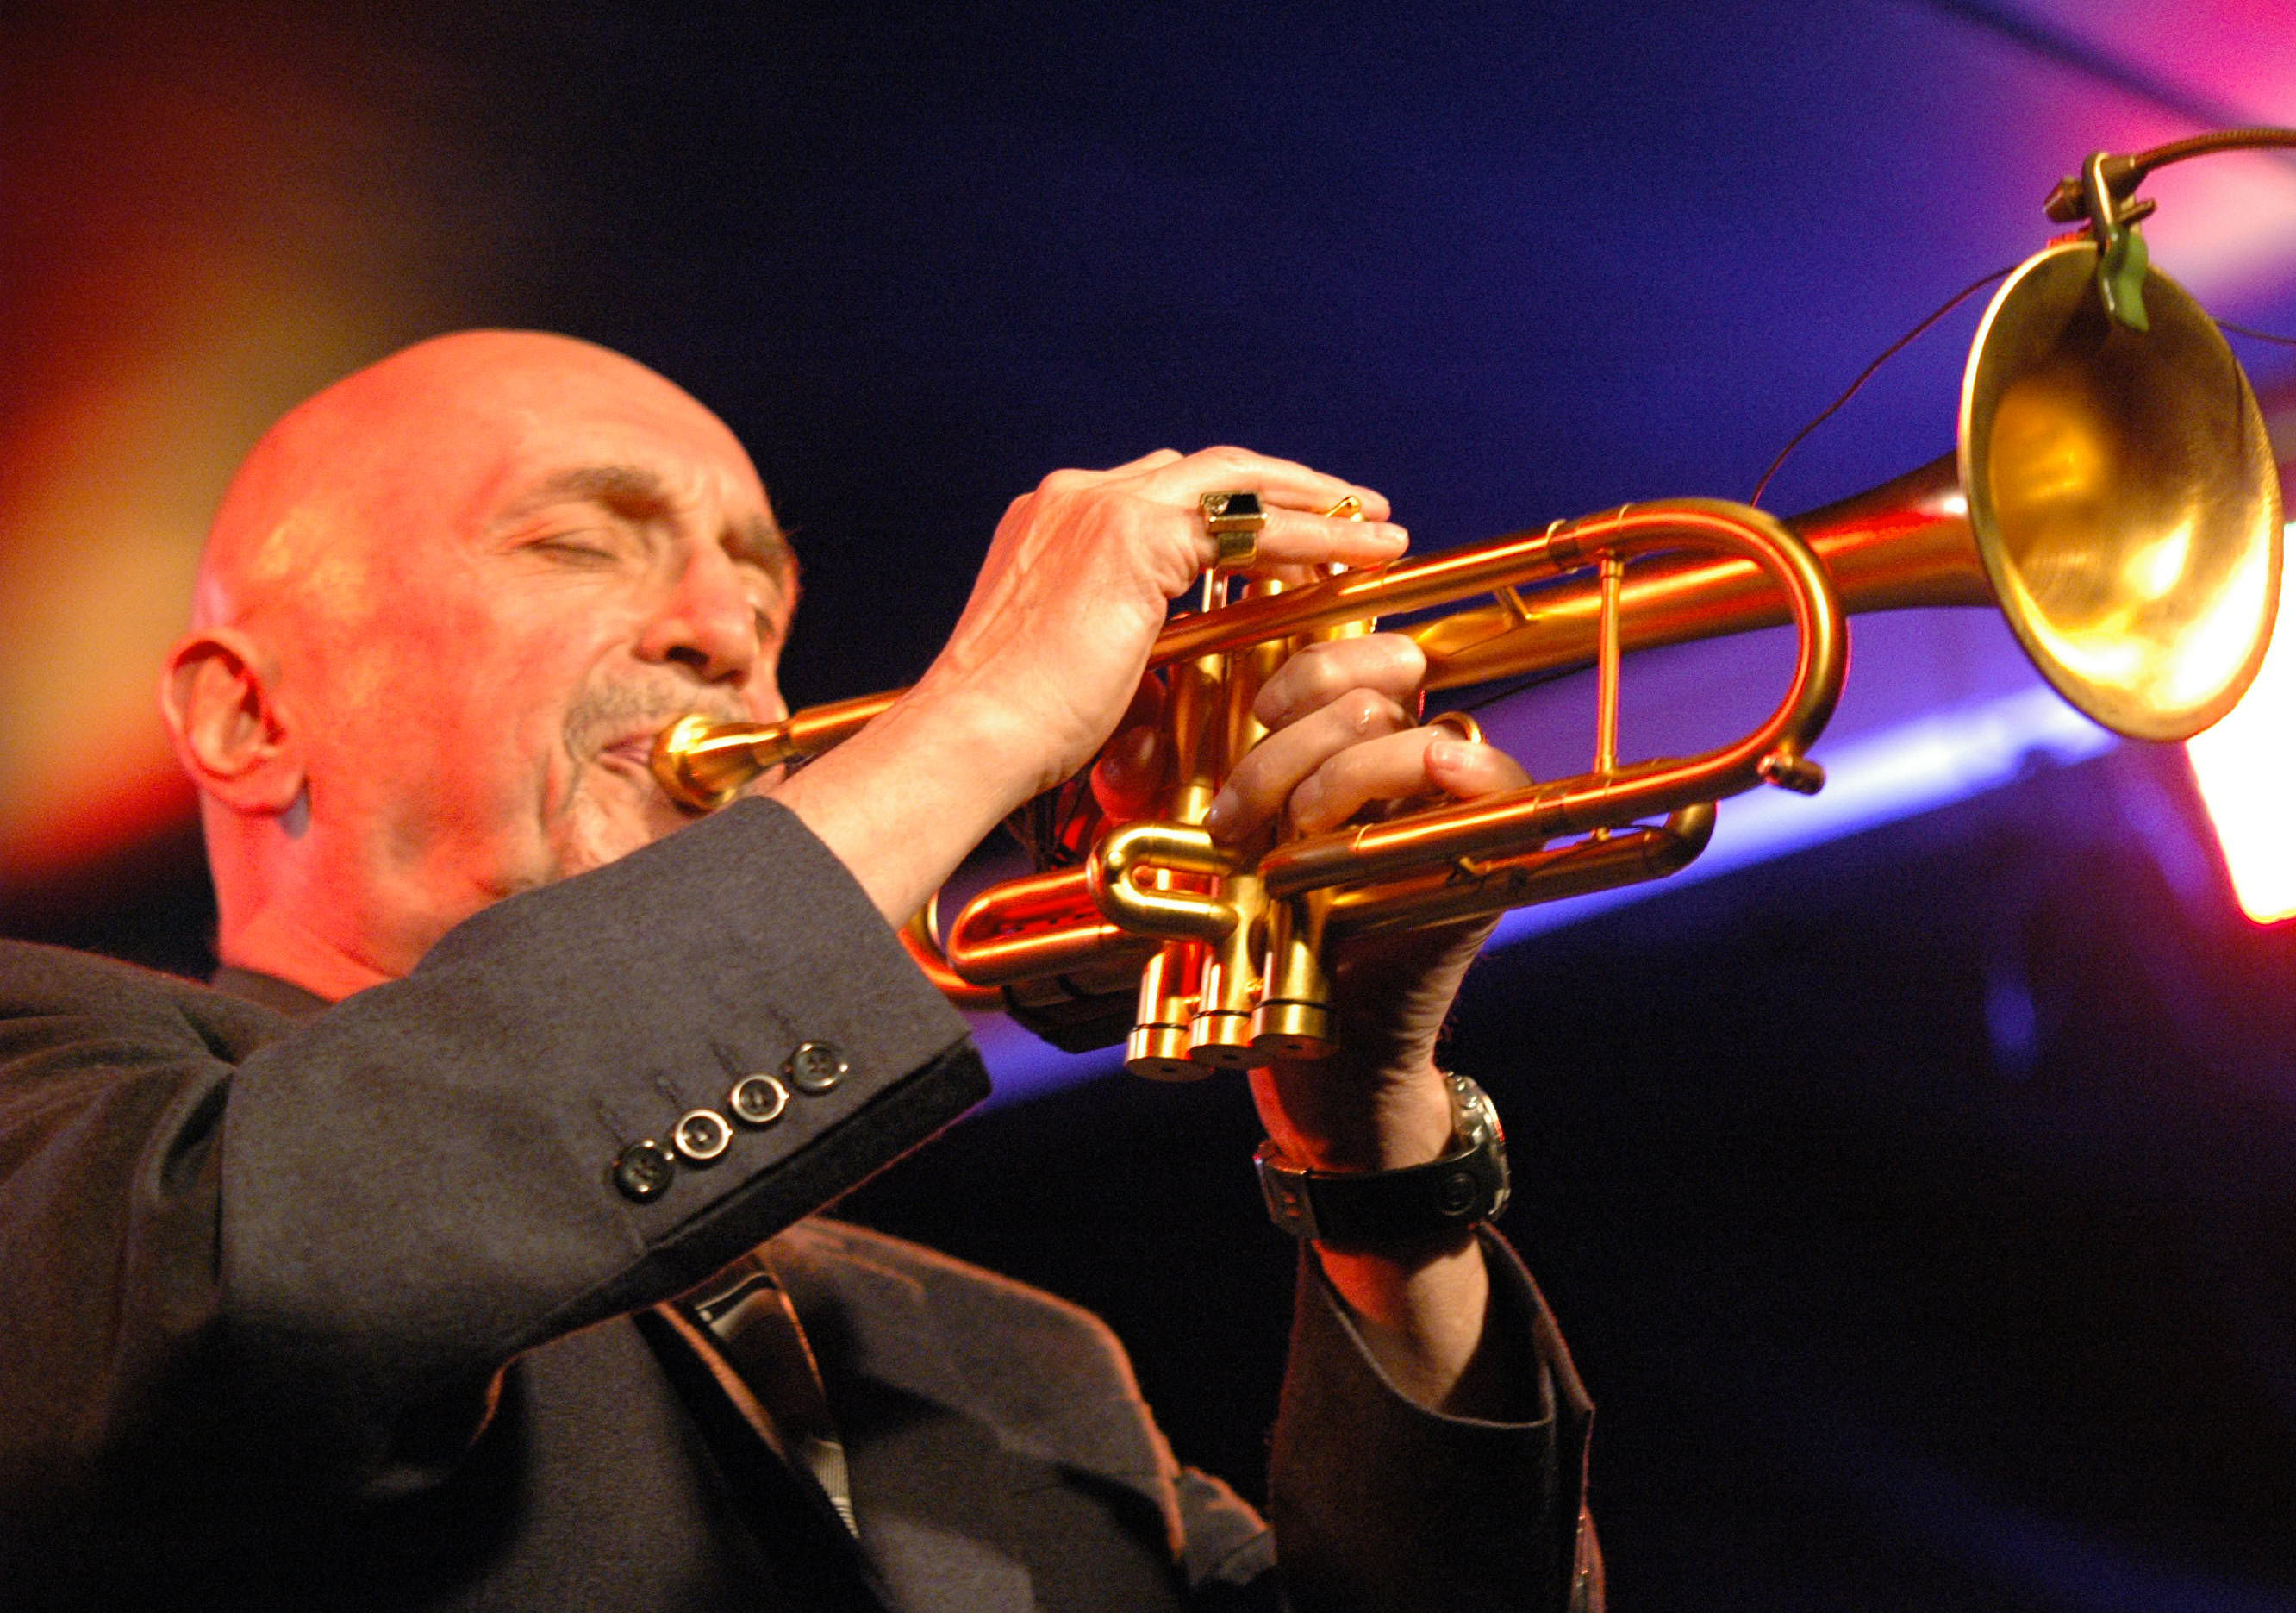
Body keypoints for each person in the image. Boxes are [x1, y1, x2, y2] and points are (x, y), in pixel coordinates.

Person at [0, 331, 1600, 1610]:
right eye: (578, 542)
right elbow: (261, 1306)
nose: (726, 631)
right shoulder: (63, 1077)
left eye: (762, 594)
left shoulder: (1020, 1364)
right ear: (239, 718)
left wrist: (1373, 1154)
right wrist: (978, 716)